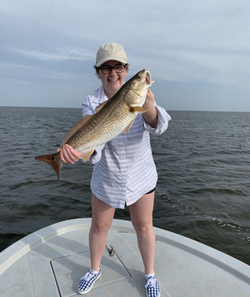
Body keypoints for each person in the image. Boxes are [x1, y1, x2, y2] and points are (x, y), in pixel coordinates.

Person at [59, 42, 171, 297]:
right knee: (99, 226)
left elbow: (159, 126)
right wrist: (75, 153)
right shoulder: (92, 101)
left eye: (119, 67)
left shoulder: (140, 98)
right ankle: (95, 269)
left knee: (144, 226)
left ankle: (150, 275)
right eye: (106, 68)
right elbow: (94, 145)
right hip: (106, 178)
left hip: (141, 176)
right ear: (97, 72)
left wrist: (149, 105)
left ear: (126, 68)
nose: (113, 73)